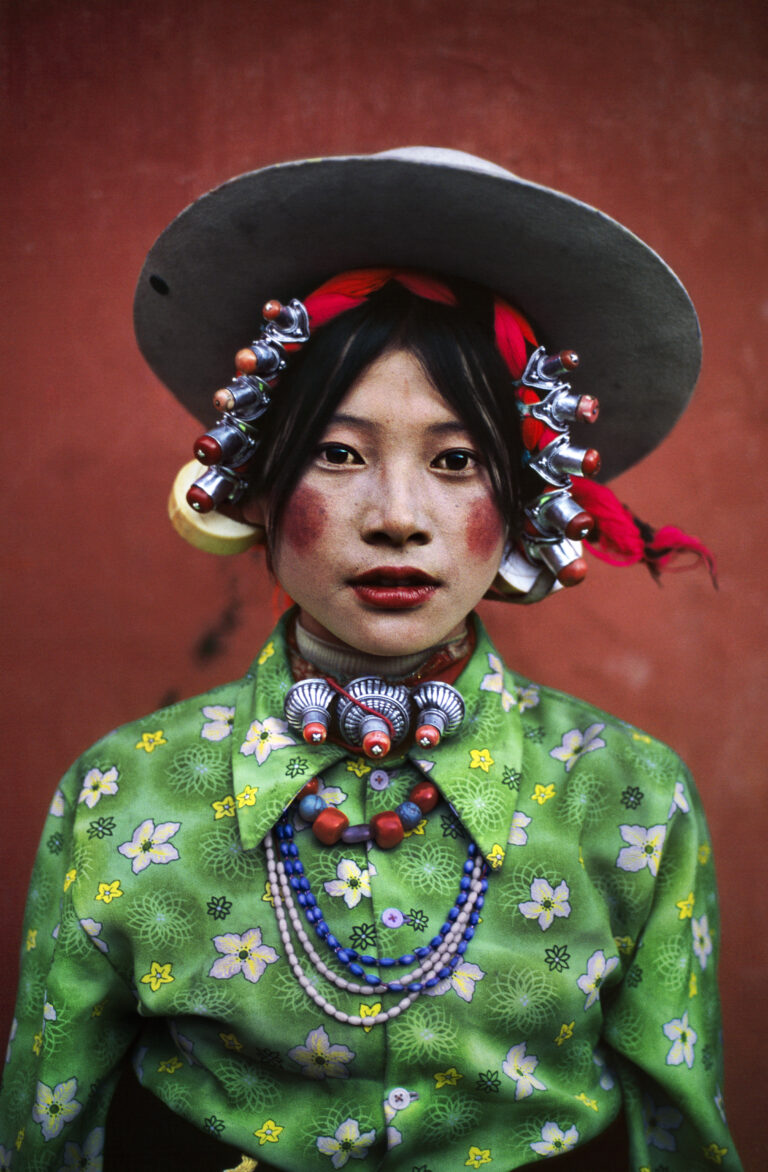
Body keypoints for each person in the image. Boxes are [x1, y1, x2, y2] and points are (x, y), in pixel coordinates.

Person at [0, 149, 741, 1171]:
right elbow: (49, 1126)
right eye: (340, 454)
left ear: (521, 502)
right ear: (252, 485)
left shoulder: (630, 797)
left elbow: (680, 1133)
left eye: (456, 460)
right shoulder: (121, 795)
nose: (399, 518)